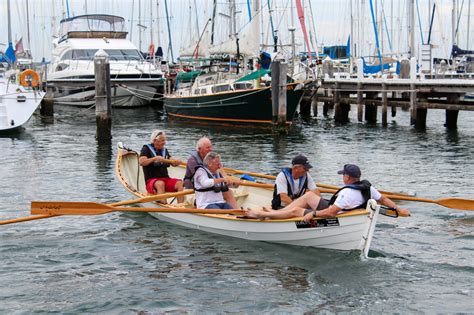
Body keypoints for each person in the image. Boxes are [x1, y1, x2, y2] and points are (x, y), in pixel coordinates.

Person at [246, 164, 410, 220]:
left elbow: (331, 212)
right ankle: (281, 211)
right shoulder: (369, 188)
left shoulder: (347, 193)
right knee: (309, 196)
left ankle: (266, 215)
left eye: (343, 175)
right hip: (343, 209)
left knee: (296, 210)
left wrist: (314, 215)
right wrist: (398, 209)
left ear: (347, 178)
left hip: (338, 214)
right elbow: (383, 200)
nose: (342, 178)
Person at [183, 136, 237, 207]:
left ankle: (235, 213)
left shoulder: (213, 158)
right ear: (200, 149)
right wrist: (223, 178)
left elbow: (220, 171)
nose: (210, 149)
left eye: (211, 147)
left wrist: (229, 180)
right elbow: (204, 178)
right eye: (207, 148)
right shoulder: (192, 160)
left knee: (229, 192)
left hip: (211, 186)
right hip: (194, 189)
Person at [139, 130, 184, 203]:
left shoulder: (164, 150)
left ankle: (181, 206)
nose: (164, 142)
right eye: (162, 140)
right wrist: (154, 158)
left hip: (165, 179)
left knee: (180, 183)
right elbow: (141, 162)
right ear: (155, 141)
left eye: (164, 140)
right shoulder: (146, 149)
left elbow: (171, 161)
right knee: (160, 183)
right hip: (151, 181)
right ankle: (164, 205)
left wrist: (176, 162)